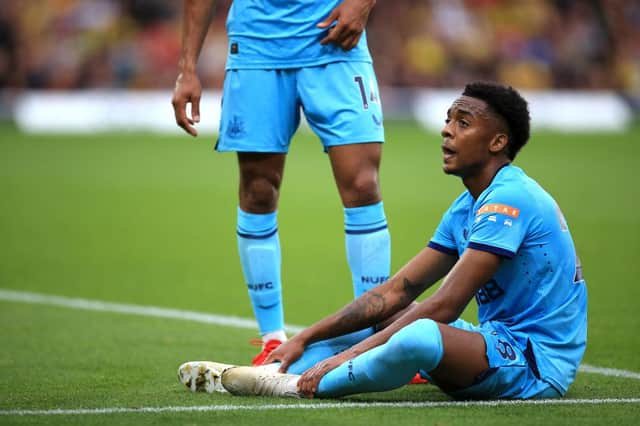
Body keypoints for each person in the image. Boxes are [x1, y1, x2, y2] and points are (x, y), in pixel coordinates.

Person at [178, 82, 588, 400]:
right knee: (384, 313)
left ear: (498, 142)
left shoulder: (510, 199)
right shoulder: (467, 207)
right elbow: (396, 291)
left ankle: (296, 385)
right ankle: (274, 368)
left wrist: (351, 354)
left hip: (536, 364)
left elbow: (445, 305)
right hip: (496, 344)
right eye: (448, 119)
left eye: (463, 123)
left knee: (420, 334)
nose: (446, 130)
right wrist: (303, 337)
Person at [172, 0, 392, 365]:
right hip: (257, 45)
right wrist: (187, 68)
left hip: (335, 38)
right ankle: (271, 338)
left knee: (362, 184)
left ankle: (377, 338)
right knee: (258, 190)